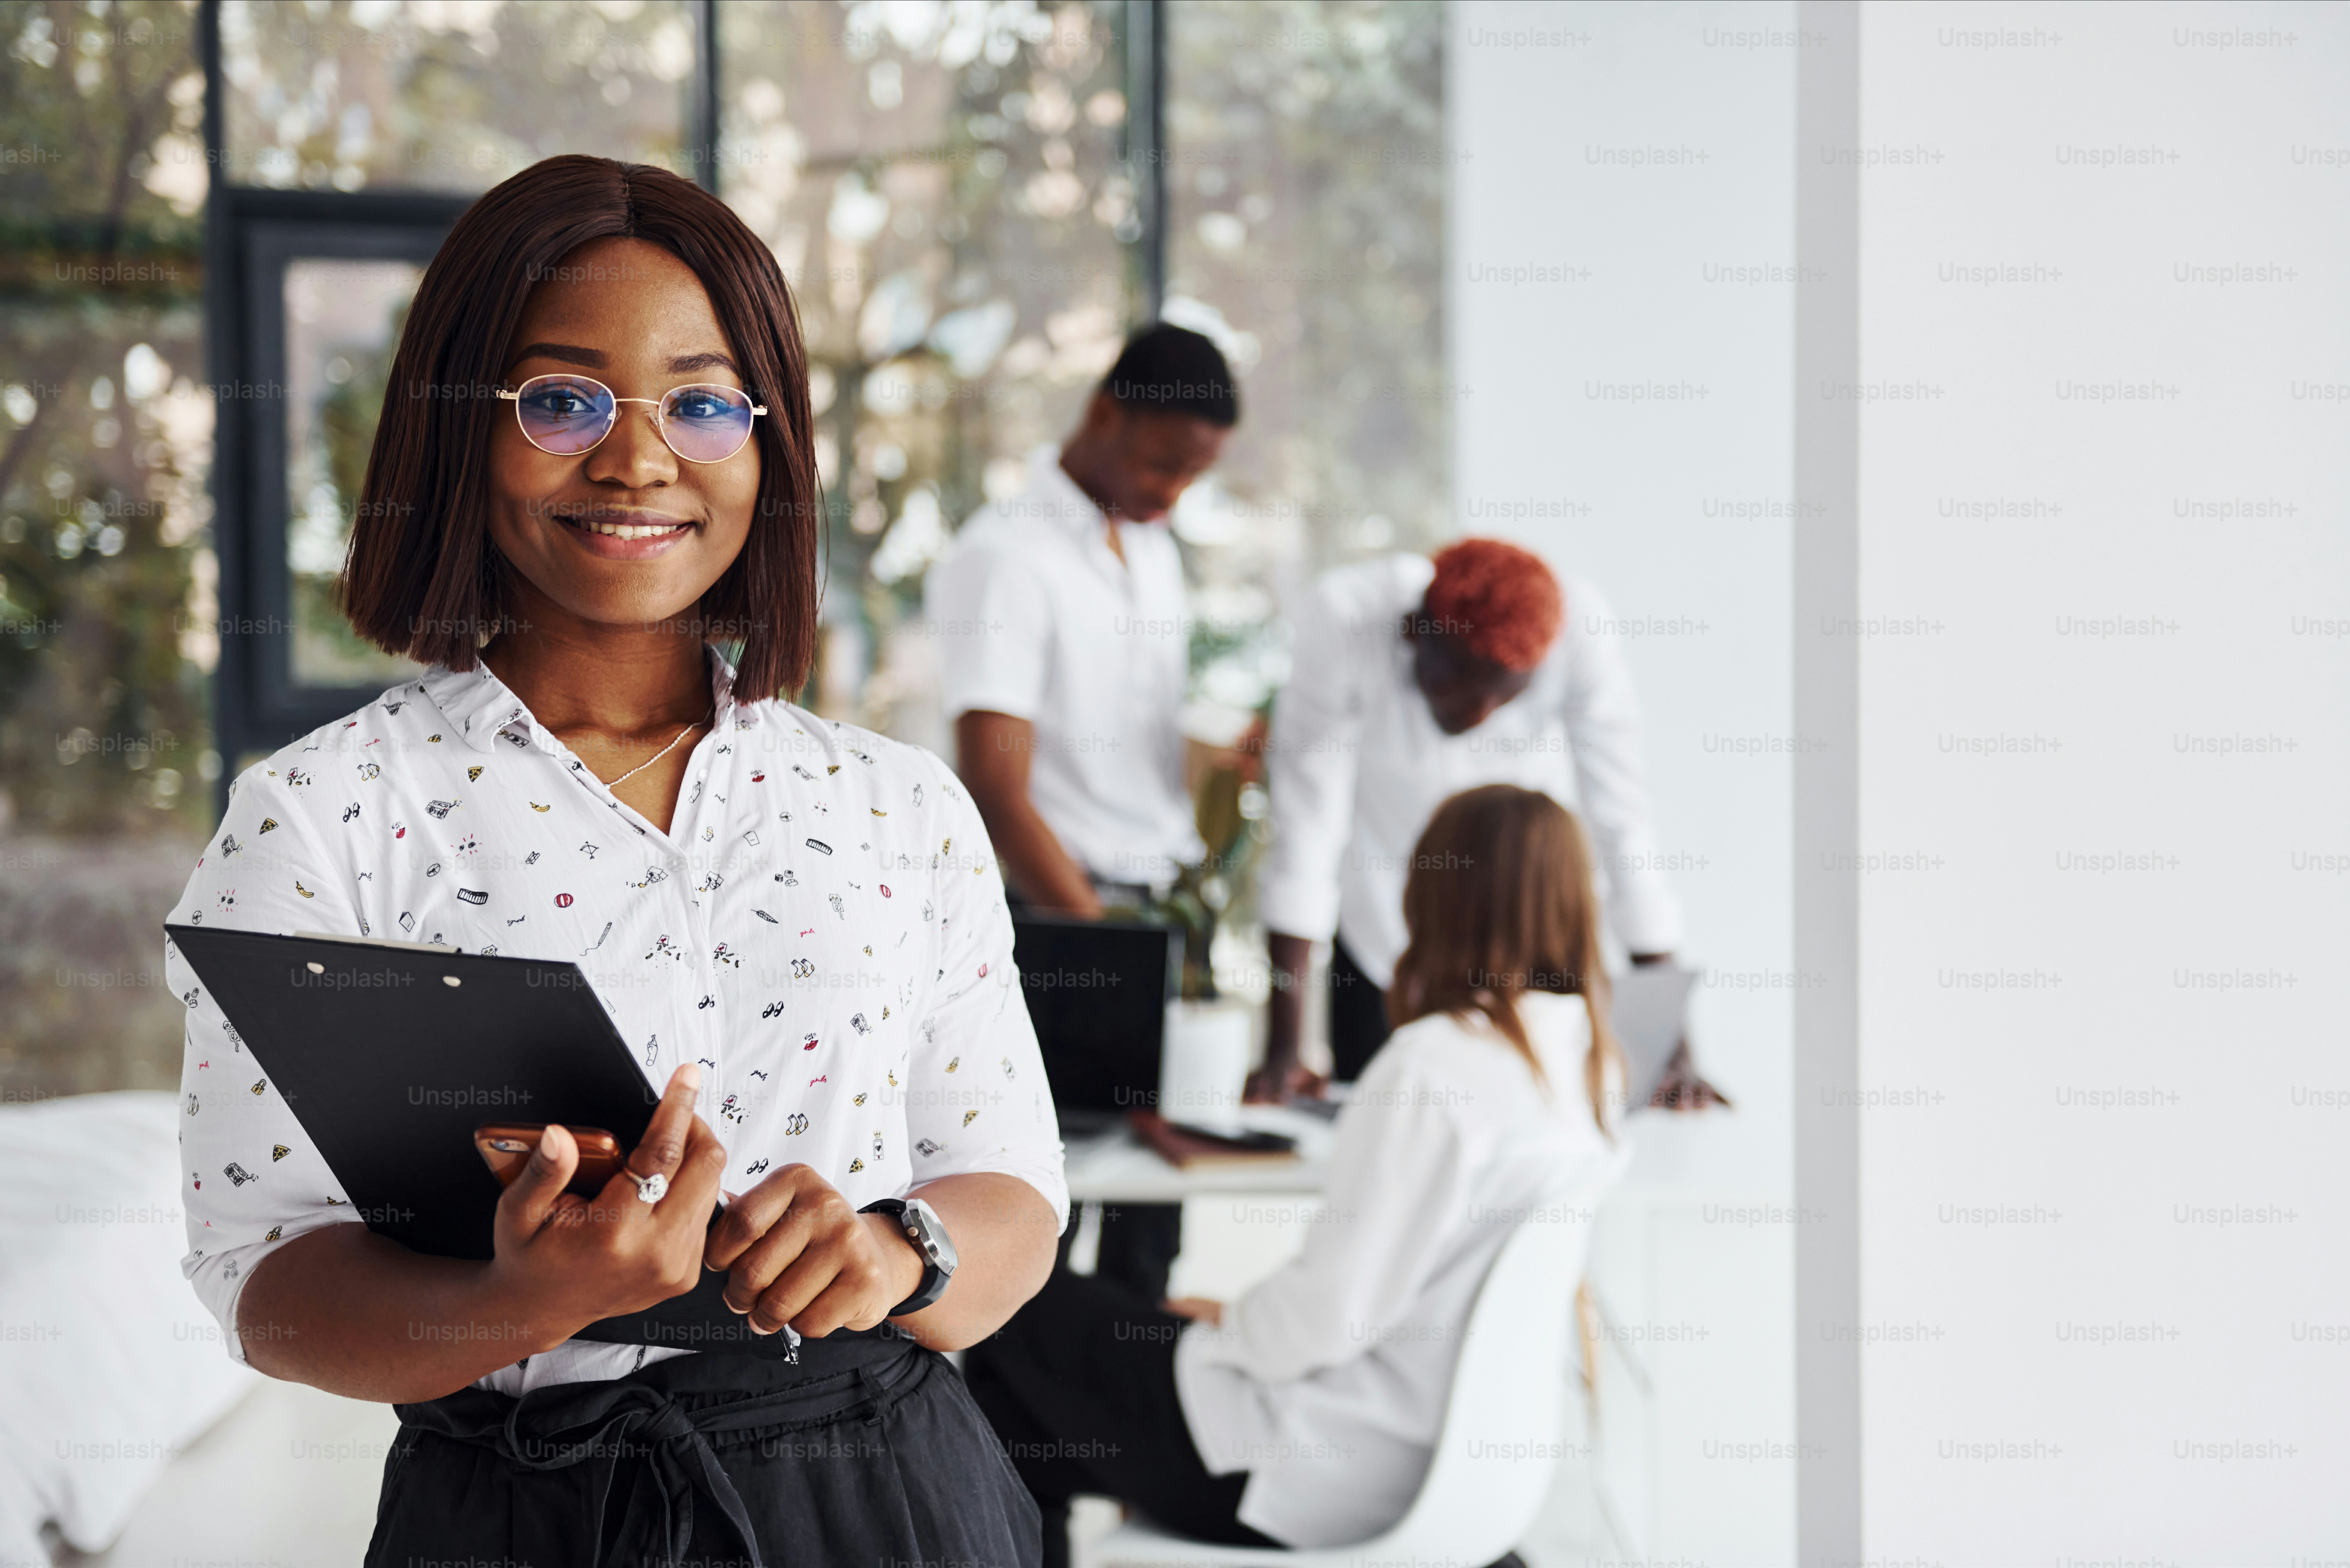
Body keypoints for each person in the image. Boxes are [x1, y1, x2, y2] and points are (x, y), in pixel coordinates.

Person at [163, 156, 1065, 1568]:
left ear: (769, 446)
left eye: (701, 404)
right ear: (459, 428)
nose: (638, 461)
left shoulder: (901, 805)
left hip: (893, 1501)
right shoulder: (323, 814)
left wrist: (899, 1250)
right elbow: (266, 1280)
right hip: (523, 1514)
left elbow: (1012, 1190)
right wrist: (525, 1300)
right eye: (561, 398)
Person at [965, 785, 1632, 1565]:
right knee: (1046, 1397)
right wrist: (1231, 1322)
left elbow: (1326, 1318)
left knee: (1015, 1315)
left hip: (1308, 1474)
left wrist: (1228, 1324)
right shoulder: (1592, 1064)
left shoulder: (1435, 1066)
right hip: (1457, 1478)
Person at [923, 324, 1240, 1301]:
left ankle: (1136, 1402)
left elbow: (1131, 744)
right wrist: (1100, 941)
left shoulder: (1151, 547)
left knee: (1152, 1222)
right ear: (1104, 413)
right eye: (1161, 463)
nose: (1171, 492)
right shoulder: (1005, 554)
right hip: (1061, 916)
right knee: (1042, 1215)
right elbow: (995, 784)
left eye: (1193, 475)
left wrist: (1229, 761)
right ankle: (1030, 1410)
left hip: (1155, 909)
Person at [1249, 537, 1723, 1106]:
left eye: (1502, 699)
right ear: (1415, 631)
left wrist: (1673, 1047)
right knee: (1382, 1118)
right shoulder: (1346, 618)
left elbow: (1621, 822)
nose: (1478, 714)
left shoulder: (1578, 628)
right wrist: (1284, 1050)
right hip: (1383, 931)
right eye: (1457, 686)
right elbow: (1307, 824)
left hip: (1523, 932)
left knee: (1541, 1113)